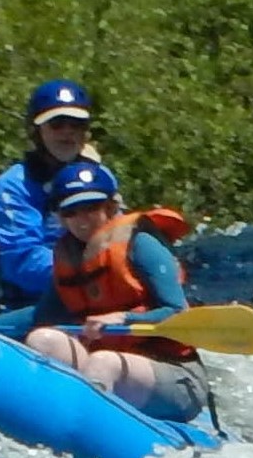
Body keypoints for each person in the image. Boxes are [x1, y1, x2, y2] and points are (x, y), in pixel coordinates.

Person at [16, 158, 209, 420]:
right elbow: (39, 317)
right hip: (114, 366)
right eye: (71, 212)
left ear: (111, 207)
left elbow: (177, 312)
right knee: (43, 340)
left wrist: (125, 318)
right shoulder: (71, 257)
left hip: (175, 374)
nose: (82, 220)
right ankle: (47, 422)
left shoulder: (142, 243)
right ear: (60, 217)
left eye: (91, 207)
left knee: (103, 363)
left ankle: (83, 435)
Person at [0, 77, 101, 316]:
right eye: (56, 124)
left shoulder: (101, 178)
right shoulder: (9, 188)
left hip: (99, 293)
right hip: (34, 305)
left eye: (76, 124)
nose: (67, 132)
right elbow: (24, 263)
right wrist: (94, 276)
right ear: (37, 131)